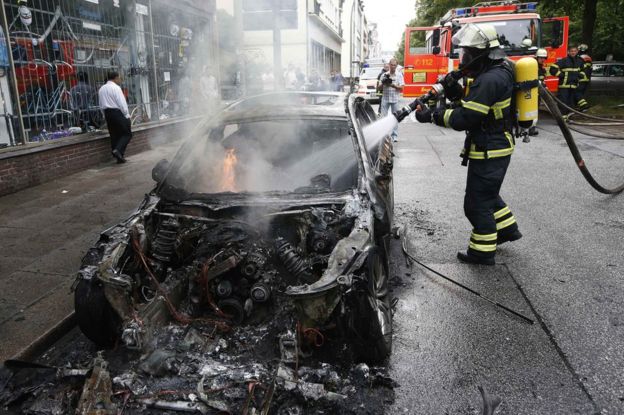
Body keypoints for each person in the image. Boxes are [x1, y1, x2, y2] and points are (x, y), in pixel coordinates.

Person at [413, 23, 522, 265]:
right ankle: (506, 230)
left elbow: (466, 117)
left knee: (475, 204)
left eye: (467, 55)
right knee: (487, 194)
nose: (464, 60)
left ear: (482, 54)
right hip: (494, 146)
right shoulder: (496, 72)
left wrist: (432, 115)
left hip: (489, 149)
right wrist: (454, 91)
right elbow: (476, 105)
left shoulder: (490, 79)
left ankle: (481, 253)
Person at [98, 71, 131, 164]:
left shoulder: (101, 89)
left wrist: (104, 115)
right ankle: (117, 150)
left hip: (108, 114)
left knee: (114, 135)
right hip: (117, 112)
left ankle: (119, 157)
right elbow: (122, 102)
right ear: (115, 78)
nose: (120, 80)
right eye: (119, 78)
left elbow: (100, 104)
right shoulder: (116, 88)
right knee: (127, 134)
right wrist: (126, 114)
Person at [549, 45, 583, 114]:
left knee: (571, 103)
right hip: (563, 87)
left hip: (574, 86)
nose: (573, 53)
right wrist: (561, 75)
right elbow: (552, 68)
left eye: (574, 51)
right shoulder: (564, 60)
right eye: (571, 51)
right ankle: (562, 118)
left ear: (577, 52)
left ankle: (569, 117)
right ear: (568, 52)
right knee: (563, 102)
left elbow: (583, 70)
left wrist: (580, 75)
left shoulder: (580, 61)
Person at [379, 59, 403, 142]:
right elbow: (378, 88)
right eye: (391, 65)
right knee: (383, 118)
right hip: (385, 98)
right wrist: (383, 83)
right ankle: (383, 136)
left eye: (394, 65)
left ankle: (394, 136)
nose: (393, 67)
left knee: (395, 118)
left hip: (395, 98)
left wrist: (393, 85)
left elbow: (402, 88)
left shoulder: (399, 75)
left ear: (396, 66)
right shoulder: (384, 75)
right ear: (389, 65)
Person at [528, 48, 548, 136]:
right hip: (531, 93)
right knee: (530, 110)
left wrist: (544, 85)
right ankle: (530, 127)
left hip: (537, 93)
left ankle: (532, 126)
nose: (543, 59)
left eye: (544, 58)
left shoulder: (541, 68)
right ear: (537, 57)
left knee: (535, 110)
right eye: (541, 58)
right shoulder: (532, 66)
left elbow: (541, 80)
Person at [576, 43, 592, 111]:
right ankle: (581, 107)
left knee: (577, 92)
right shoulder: (589, 58)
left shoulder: (580, 57)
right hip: (587, 78)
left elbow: (577, 67)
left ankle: (584, 105)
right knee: (582, 93)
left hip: (581, 78)